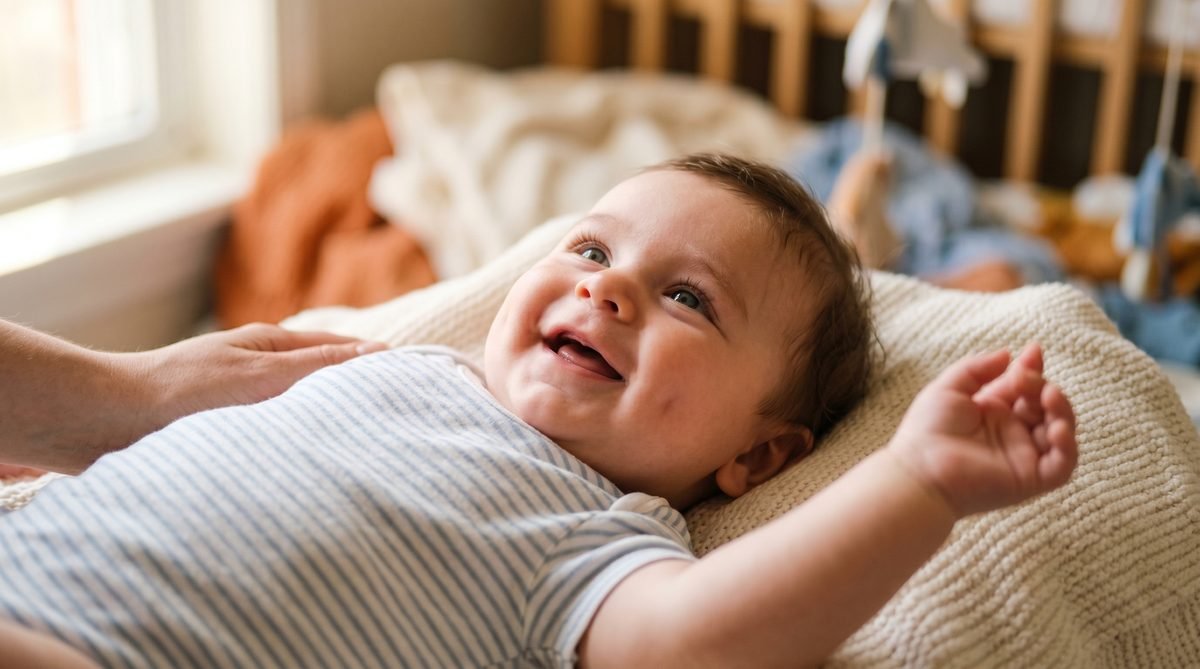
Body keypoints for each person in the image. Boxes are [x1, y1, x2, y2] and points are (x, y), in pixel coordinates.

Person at [0, 154, 1077, 668]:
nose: (606, 289)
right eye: (594, 249)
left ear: (761, 455)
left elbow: (697, 645)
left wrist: (917, 482)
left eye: (688, 299)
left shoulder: (596, 535)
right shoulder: (403, 369)